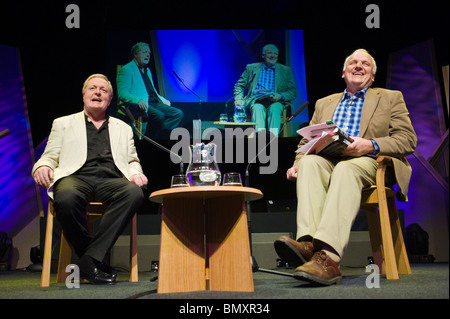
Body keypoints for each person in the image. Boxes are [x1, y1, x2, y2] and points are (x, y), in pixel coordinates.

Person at [274, 49, 417, 286]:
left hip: (371, 163)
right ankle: (309, 245)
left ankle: (329, 256)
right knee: (310, 161)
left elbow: (407, 140)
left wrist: (370, 145)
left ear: (372, 77)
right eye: (353, 62)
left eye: (365, 64)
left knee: (346, 169)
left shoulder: (390, 97)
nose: (358, 66)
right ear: (343, 72)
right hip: (330, 161)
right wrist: (297, 164)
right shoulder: (324, 102)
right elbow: (304, 143)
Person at [32, 74, 148, 285]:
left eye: (103, 90)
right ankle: (94, 258)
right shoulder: (63, 123)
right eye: (93, 88)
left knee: (133, 193)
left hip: (110, 180)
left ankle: (86, 260)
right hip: (76, 177)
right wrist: (43, 166)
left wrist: (136, 173)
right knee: (65, 197)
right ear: (84, 95)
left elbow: (132, 160)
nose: (97, 92)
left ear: (110, 99)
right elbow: (49, 156)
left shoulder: (123, 128)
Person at [117, 42, 183, 138]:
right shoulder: (126, 70)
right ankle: (152, 137)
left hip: (153, 103)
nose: (148, 55)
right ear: (135, 54)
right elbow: (122, 93)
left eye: (149, 53)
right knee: (159, 116)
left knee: (177, 113)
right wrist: (137, 100)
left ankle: (157, 136)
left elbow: (152, 90)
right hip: (138, 105)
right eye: (144, 52)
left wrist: (162, 99)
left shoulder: (147, 70)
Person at [233, 44, 297, 135]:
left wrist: (280, 96)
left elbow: (292, 91)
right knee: (257, 108)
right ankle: (260, 139)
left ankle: (273, 139)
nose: (272, 56)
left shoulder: (285, 70)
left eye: (275, 54)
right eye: (270, 53)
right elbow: (239, 86)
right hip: (255, 101)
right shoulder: (251, 68)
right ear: (263, 55)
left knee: (275, 108)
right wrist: (239, 99)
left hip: (276, 101)